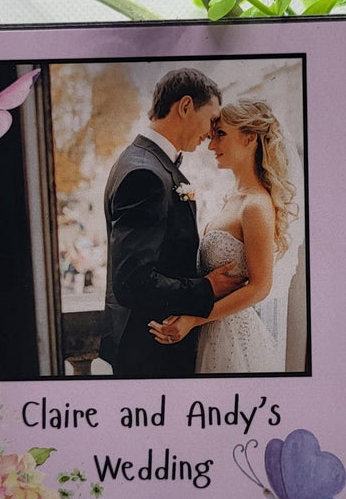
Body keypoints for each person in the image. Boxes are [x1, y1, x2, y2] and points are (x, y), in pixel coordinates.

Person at [103, 67, 244, 378]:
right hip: (151, 350)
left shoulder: (142, 159)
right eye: (211, 119)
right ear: (184, 106)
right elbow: (131, 282)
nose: (210, 132)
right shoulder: (146, 174)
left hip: (147, 343)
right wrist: (205, 288)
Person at [149, 98, 299, 373]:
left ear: (249, 138)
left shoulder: (255, 205)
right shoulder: (232, 198)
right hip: (211, 331)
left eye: (221, 135)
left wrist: (194, 319)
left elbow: (259, 287)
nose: (211, 145)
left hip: (234, 338)